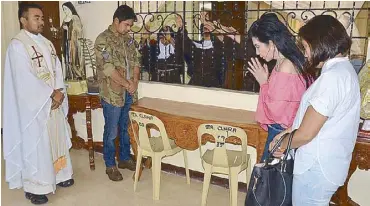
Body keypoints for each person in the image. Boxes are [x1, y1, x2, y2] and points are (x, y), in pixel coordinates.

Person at [269, 15, 360, 205]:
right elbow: (314, 121)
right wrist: (287, 134)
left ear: (321, 44)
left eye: (307, 47)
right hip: (326, 165)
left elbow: (306, 133)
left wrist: (282, 145)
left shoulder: (332, 78)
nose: (306, 54)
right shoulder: (344, 71)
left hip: (316, 167)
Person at [3, 3, 74, 205]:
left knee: (56, 139)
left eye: (42, 18)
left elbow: (56, 70)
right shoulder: (17, 46)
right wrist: (50, 95)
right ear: (23, 20)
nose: (41, 22)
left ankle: (59, 175)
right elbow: (24, 80)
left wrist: (59, 92)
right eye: (36, 18)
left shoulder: (47, 43)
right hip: (33, 108)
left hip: (52, 102)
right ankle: (35, 185)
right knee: (37, 143)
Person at [242, 13, 311, 162]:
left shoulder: (285, 65)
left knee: (268, 179)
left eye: (258, 46)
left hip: (281, 132)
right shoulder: (283, 63)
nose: (257, 53)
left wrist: (263, 83)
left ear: (272, 43)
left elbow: (275, 112)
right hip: (285, 130)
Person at [94, 5, 140, 181]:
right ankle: (110, 164)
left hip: (129, 92)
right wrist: (127, 84)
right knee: (112, 130)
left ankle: (124, 158)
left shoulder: (128, 40)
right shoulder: (102, 40)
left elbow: (136, 61)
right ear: (116, 21)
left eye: (130, 26)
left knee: (125, 128)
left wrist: (134, 82)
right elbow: (108, 68)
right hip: (112, 94)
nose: (129, 29)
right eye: (127, 25)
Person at [61, 1, 85, 80]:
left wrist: (68, 30)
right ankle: (69, 76)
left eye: (66, 9)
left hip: (74, 43)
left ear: (70, 8)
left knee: (74, 59)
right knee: (68, 60)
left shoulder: (75, 18)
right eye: (63, 9)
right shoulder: (65, 19)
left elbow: (78, 30)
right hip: (66, 42)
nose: (65, 11)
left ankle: (77, 76)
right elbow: (62, 30)